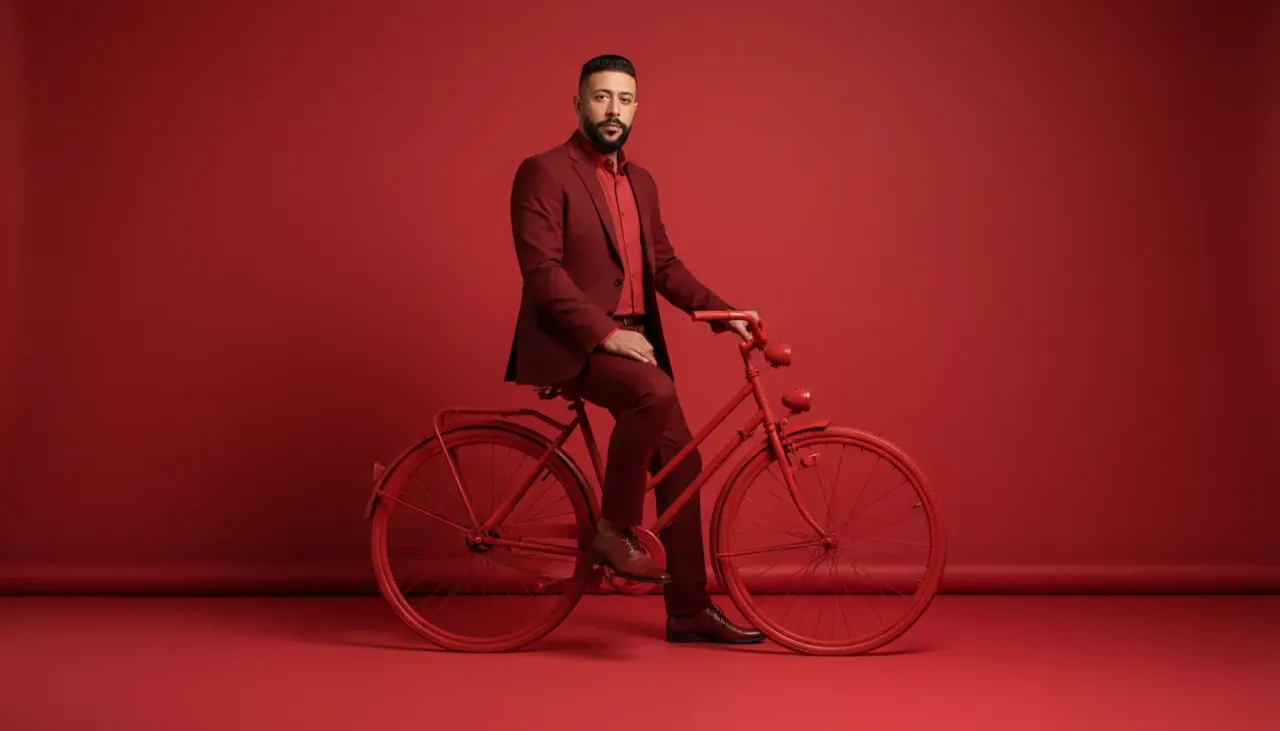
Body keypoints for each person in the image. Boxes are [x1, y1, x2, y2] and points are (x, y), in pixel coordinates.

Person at [504, 54, 764, 644]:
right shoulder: (543, 171)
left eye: (624, 100)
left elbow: (663, 266)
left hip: (633, 345)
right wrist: (605, 332)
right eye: (600, 98)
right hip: (573, 341)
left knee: (683, 464)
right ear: (578, 104)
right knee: (653, 392)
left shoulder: (641, 181)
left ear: (636, 108)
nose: (612, 110)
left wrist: (723, 314)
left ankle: (689, 610)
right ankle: (612, 529)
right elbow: (541, 273)